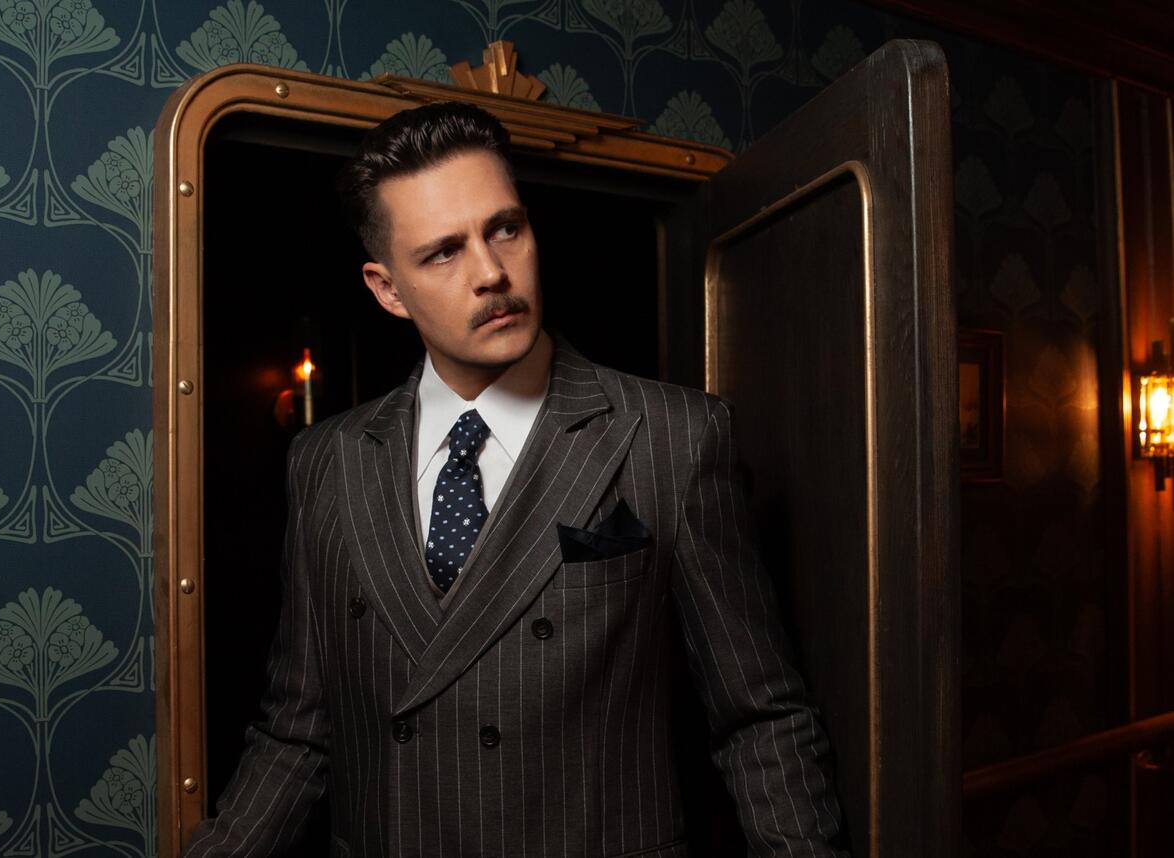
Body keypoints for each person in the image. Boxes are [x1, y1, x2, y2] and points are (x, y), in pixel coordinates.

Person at [183, 100, 846, 858]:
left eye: (505, 229)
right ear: (387, 289)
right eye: (443, 253)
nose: (492, 273)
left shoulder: (674, 437)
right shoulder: (325, 462)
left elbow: (759, 721)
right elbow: (295, 732)